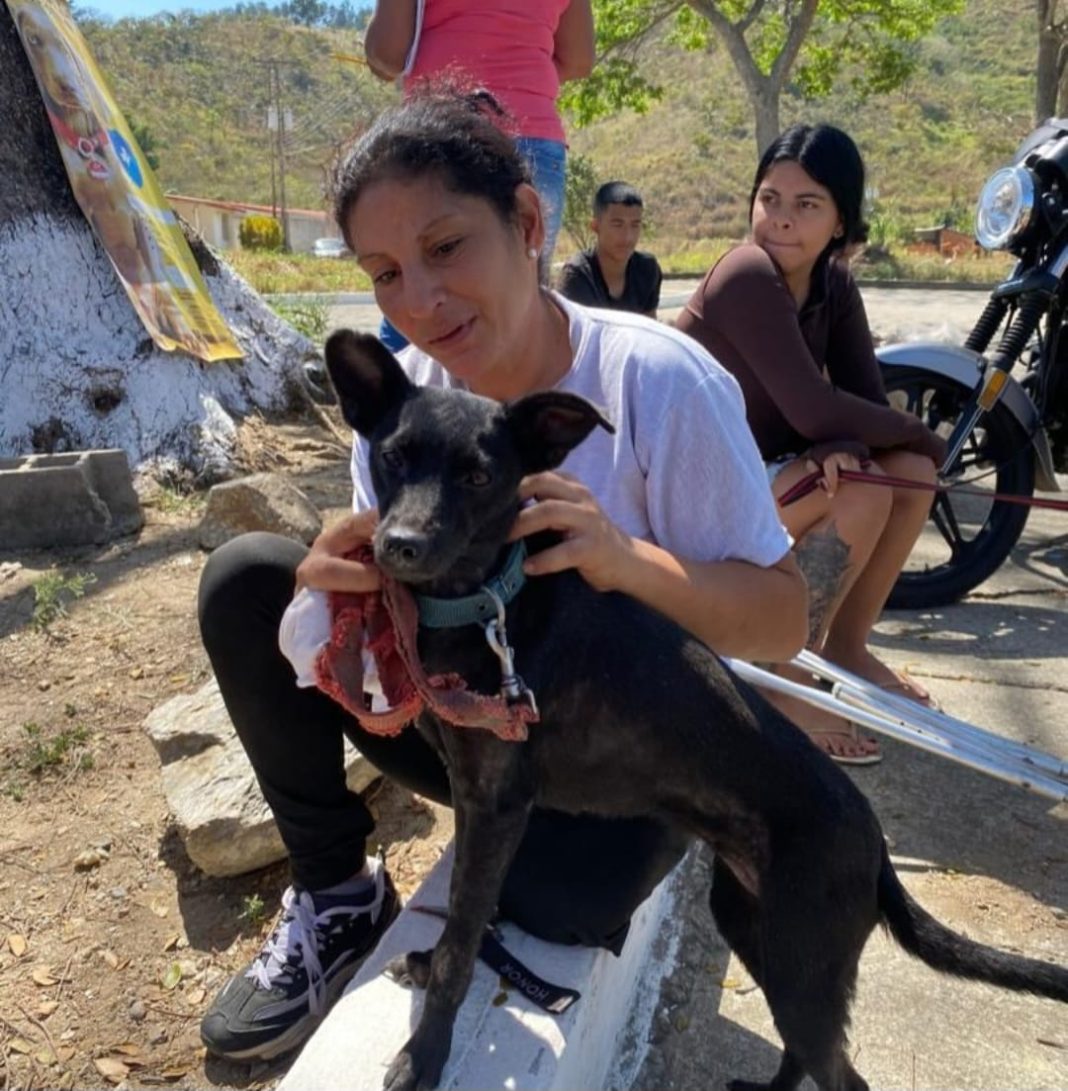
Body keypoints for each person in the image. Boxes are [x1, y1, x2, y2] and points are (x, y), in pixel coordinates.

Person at [196, 88, 807, 1062]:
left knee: (554, 901)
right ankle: (337, 896)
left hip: (608, 764)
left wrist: (627, 560)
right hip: (462, 733)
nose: (418, 301)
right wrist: (333, 589)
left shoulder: (657, 382)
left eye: (445, 247)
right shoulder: (405, 404)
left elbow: (781, 619)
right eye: (384, 272)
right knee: (249, 579)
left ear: (526, 223)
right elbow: (385, 597)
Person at [675, 123, 948, 765]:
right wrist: (905, 433)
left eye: (807, 205)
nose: (781, 219)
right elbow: (813, 407)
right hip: (689, 500)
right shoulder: (744, 273)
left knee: (909, 473)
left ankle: (846, 649)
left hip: (761, 478)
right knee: (864, 487)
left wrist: (855, 441)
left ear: (840, 221)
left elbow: (862, 402)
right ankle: (785, 676)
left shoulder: (834, 285)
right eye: (769, 199)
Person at [364, 0, 594, 352]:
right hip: (535, 138)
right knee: (519, 317)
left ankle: (399, 388)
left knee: (421, 306)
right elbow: (579, 59)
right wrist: (517, 78)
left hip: (443, 137)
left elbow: (387, 54)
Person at [558, 180, 663, 317]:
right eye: (617, 225)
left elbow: (648, 326)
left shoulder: (647, 270)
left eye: (635, 225)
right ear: (595, 226)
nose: (628, 237)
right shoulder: (578, 276)